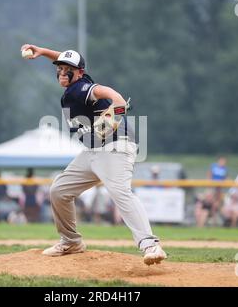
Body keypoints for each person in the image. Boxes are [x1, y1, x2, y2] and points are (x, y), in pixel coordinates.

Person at [21, 44, 167, 265]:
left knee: (120, 192)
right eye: (59, 68)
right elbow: (65, 59)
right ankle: (71, 241)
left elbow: (114, 96)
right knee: (59, 190)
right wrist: (42, 51)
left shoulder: (81, 88)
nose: (61, 72)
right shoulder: (74, 84)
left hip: (116, 147)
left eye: (67, 69)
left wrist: (117, 111)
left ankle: (150, 244)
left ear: (79, 72)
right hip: (93, 150)